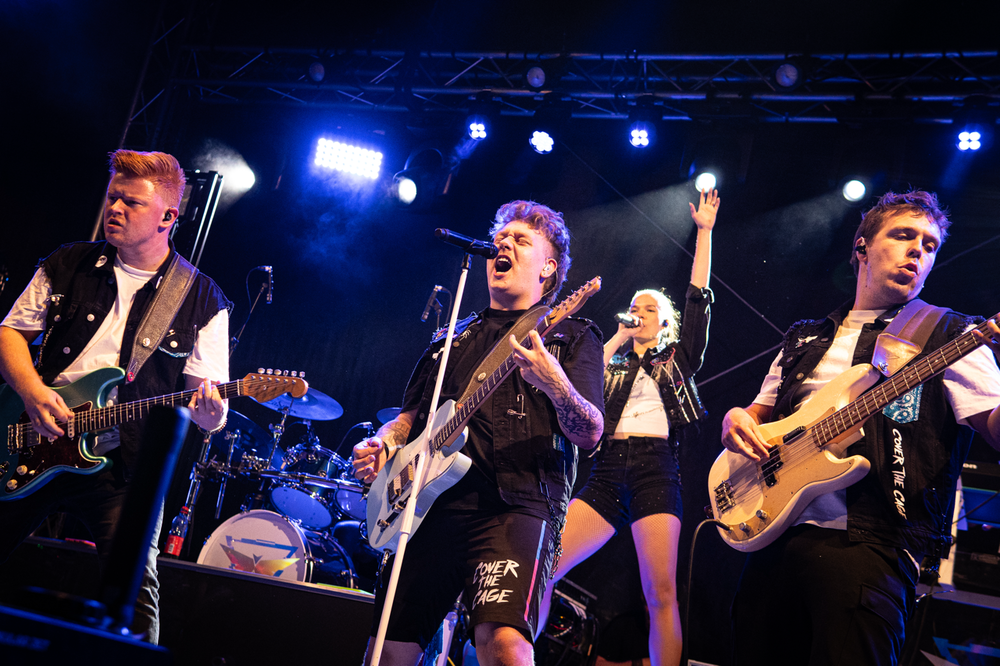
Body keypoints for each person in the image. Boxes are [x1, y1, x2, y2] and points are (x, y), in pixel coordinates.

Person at [721, 190, 1000, 665]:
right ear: (862, 247)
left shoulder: (952, 335)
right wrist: (735, 419)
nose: (918, 251)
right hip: (774, 535)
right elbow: (757, 415)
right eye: (904, 235)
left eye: (930, 245)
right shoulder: (805, 337)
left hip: (873, 546)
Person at [352, 201, 606, 666]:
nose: (504, 245)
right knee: (385, 651)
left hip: (514, 508)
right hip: (428, 510)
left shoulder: (569, 335)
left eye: (521, 240)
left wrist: (556, 384)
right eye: (500, 239)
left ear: (548, 268)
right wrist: (384, 443)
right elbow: (407, 419)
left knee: (503, 644)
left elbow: (590, 431)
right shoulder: (450, 339)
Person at [0, 149, 231, 643]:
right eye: (112, 197)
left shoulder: (203, 298)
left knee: (136, 593)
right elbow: (10, 333)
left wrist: (212, 414)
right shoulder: (67, 263)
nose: (115, 209)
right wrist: (32, 391)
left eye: (131, 202)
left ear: (168, 217)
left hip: (120, 468)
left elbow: (207, 409)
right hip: (31, 438)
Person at [535, 188, 720, 666]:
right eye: (634, 306)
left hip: (656, 471)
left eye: (649, 309)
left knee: (659, 593)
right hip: (608, 472)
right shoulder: (611, 361)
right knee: (544, 568)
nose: (639, 312)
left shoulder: (678, 358)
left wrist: (703, 232)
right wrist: (619, 333)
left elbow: (698, 301)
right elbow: (584, 379)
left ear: (666, 324)